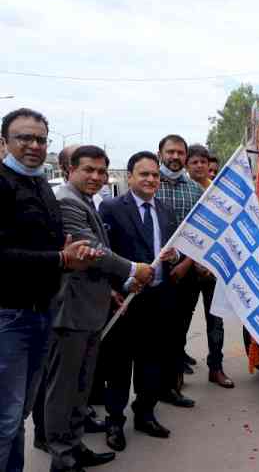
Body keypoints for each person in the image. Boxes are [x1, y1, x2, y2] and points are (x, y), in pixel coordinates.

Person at [45, 146, 155, 472]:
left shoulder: (86, 201)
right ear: (70, 170)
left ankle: (74, 446)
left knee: (81, 386)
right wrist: (134, 269)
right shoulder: (67, 200)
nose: (95, 177)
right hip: (72, 310)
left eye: (101, 172)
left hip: (91, 308)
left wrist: (114, 286)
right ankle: (62, 459)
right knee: (63, 390)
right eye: (88, 170)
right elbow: (93, 250)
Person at [0, 108, 98, 472]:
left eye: (41, 139)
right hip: (9, 314)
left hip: (41, 312)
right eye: (24, 137)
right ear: (5, 142)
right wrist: (59, 258)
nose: (34, 146)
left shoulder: (40, 182)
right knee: (7, 419)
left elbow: (49, 242)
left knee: (19, 415)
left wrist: (70, 249)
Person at [98, 151, 181, 452]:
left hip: (159, 301)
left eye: (155, 175)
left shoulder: (166, 209)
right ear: (129, 177)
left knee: (153, 364)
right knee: (119, 366)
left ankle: (145, 413)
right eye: (143, 174)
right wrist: (117, 285)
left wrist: (175, 257)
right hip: (125, 300)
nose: (150, 179)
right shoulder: (110, 208)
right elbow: (102, 253)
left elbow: (172, 249)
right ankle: (114, 421)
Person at [155, 134, 203, 399]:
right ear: (160, 152)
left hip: (185, 273)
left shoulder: (195, 190)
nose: (175, 157)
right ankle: (153, 388)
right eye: (170, 152)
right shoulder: (150, 185)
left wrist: (187, 263)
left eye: (179, 153)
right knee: (155, 332)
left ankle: (173, 385)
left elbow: (202, 234)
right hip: (153, 272)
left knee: (179, 330)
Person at [185, 144, 233, 388]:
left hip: (213, 270)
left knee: (216, 320)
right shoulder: (182, 192)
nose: (200, 166)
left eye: (203, 162)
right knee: (181, 319)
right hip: (186, 269)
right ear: (187, 166)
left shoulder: (218, 193)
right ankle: (177, 368)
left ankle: (216, 368)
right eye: (194, 162)